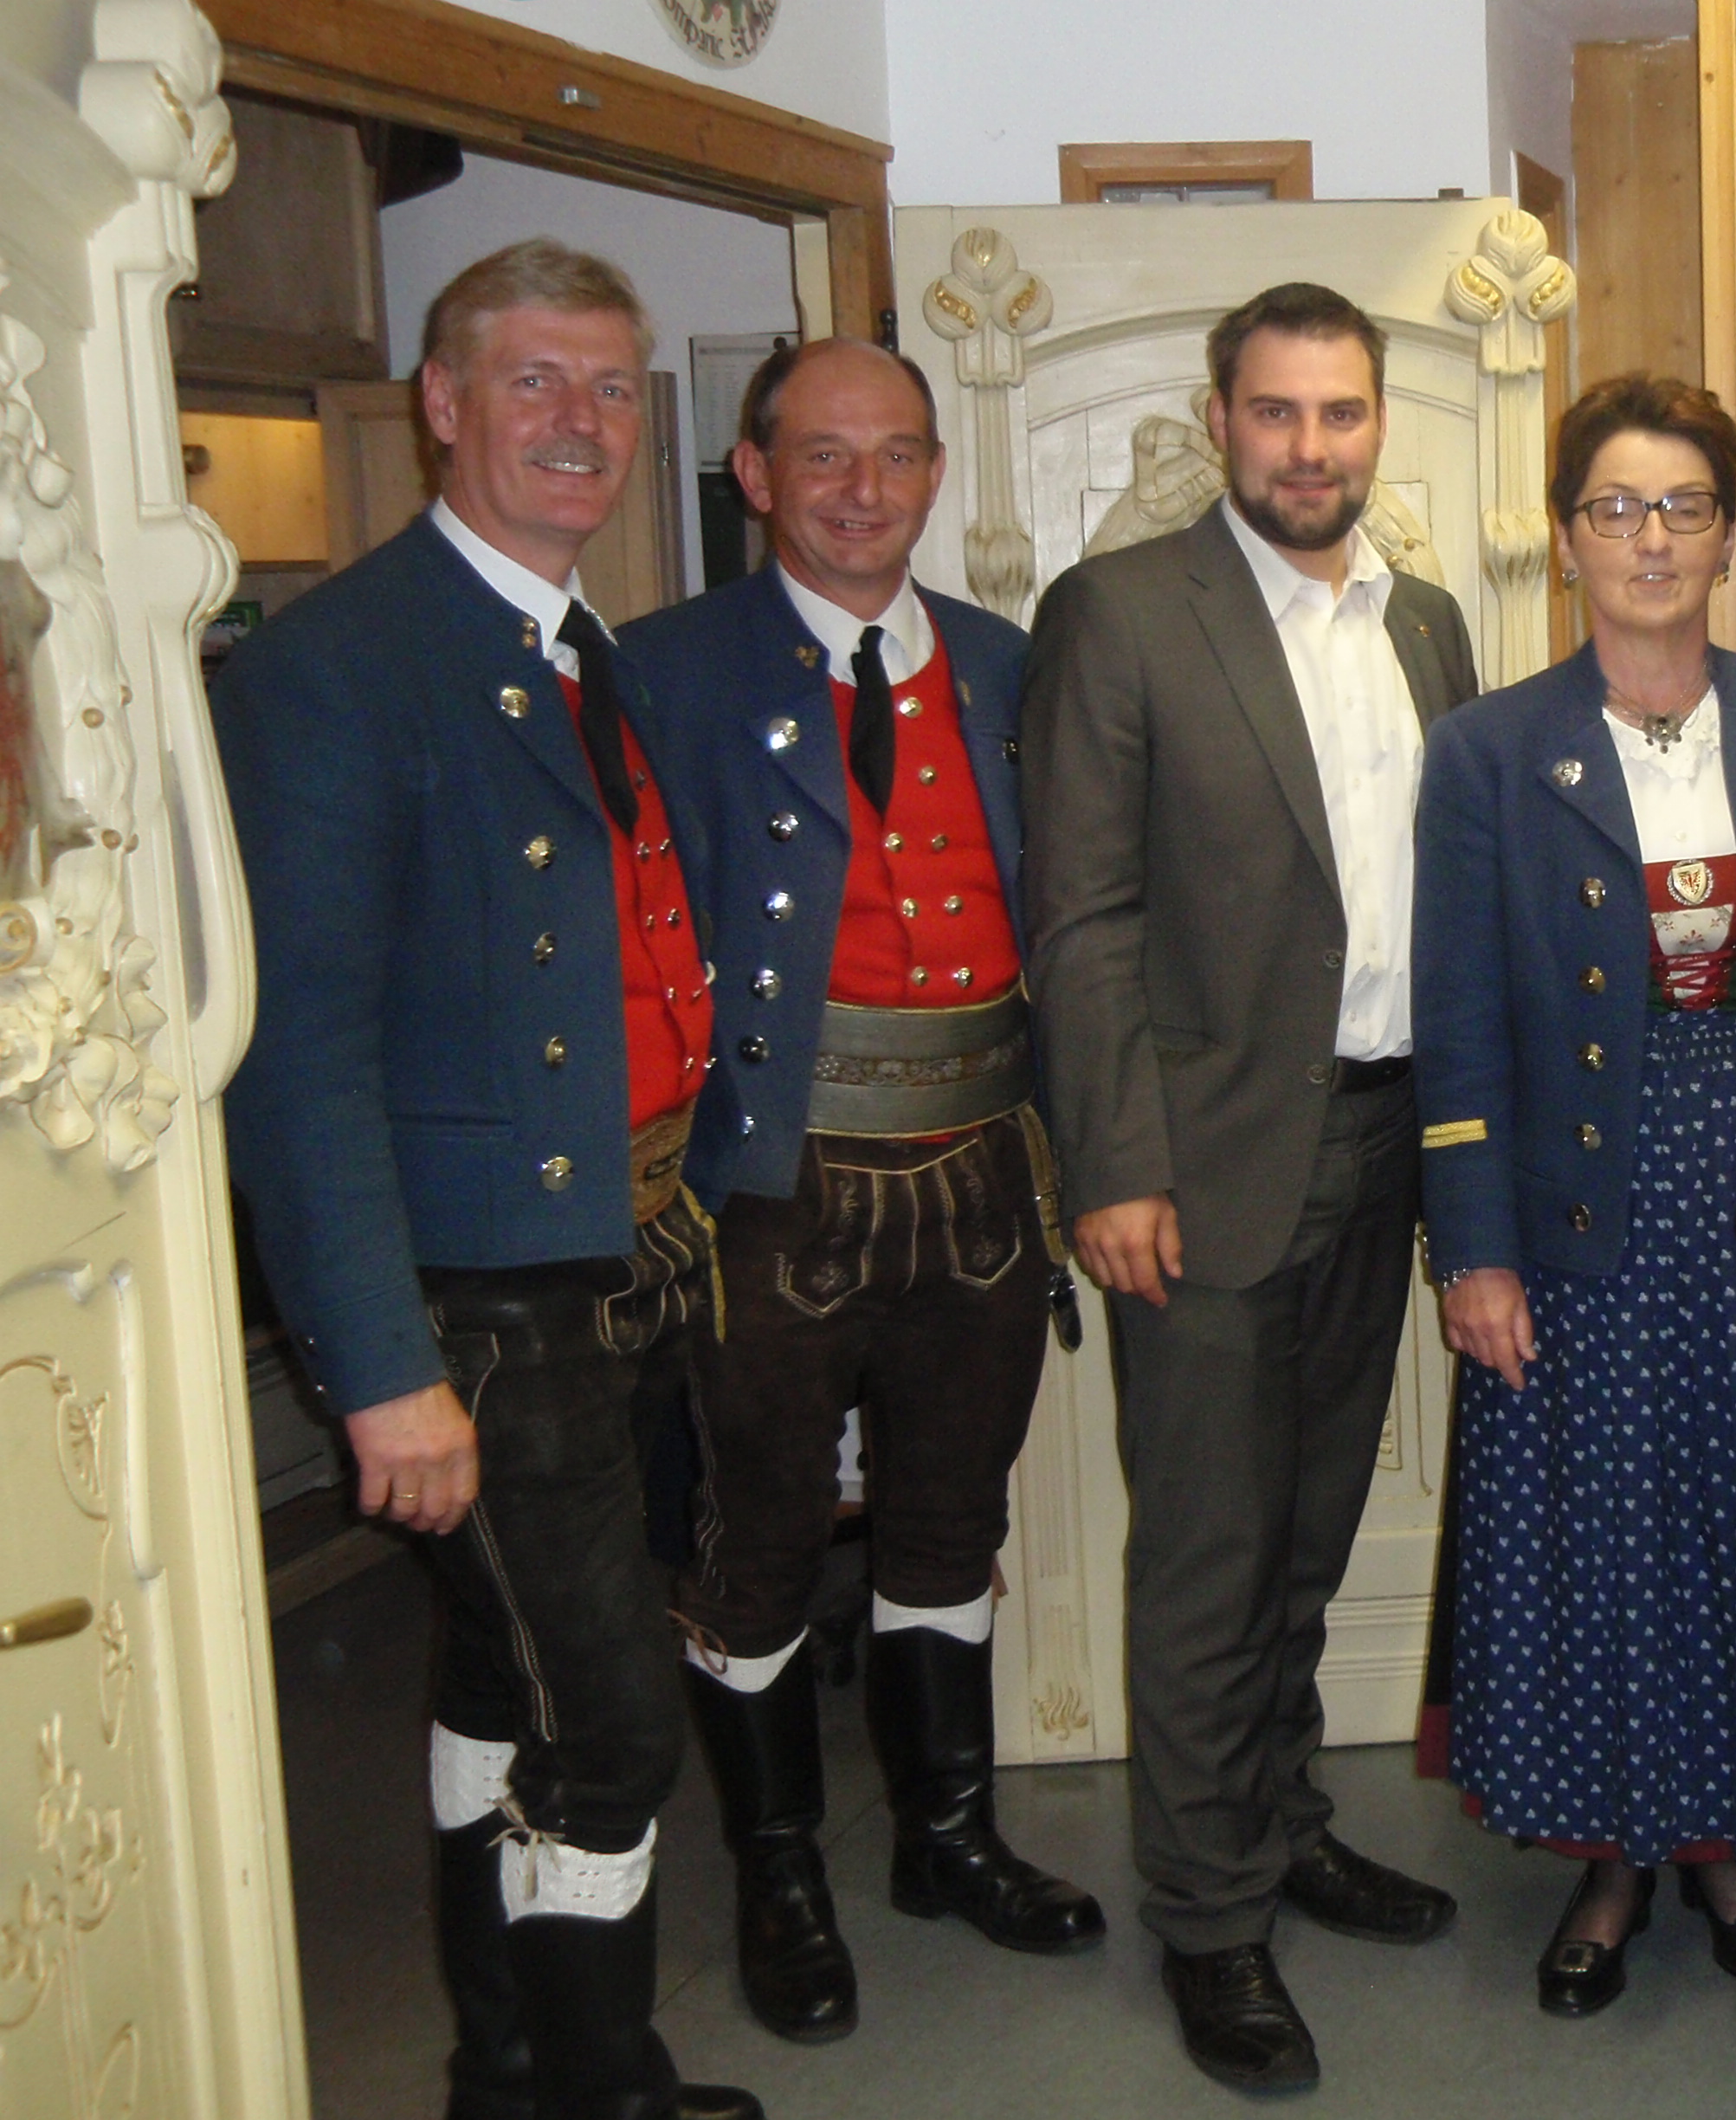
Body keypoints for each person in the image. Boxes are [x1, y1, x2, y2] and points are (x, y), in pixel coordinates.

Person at [210, 240, 759, 2120]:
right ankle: (597, 2089)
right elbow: (298, 1059)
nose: (578, 422)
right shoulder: (338, 670)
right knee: (609, 1718)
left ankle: (504, 2065)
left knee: (499, 1671)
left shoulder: (584, 641)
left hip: (621, 1243)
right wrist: (382, 1370)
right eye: (532, 380)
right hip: (484, 1297)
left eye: (608, 386)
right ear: (441, 403)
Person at [1414, 374, 1736, 2020]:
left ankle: (1728, 1846)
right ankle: (1614, 1858)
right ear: (1566, 536)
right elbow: (1460, 1017)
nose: (1652, 539)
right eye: (1617, 508)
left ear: (1728, 536)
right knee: (1607, 1533)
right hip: (1584, 1201)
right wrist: (1474, 1251)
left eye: (1685, 508)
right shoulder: (1488, 750)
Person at [1022, 282, 1480, 2094]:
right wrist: (1115, 1163)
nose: (1310, 447)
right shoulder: (1122, 613)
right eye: (1277, 412)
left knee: (1309, 1534)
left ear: (1377, 427)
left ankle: (1284, 1826)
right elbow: (1083, 919)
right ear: (1221, 421)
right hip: (1199, 1177)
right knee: (1211, 1559)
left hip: (1380, 1146)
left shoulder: (1426, 622)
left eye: (1340, 413)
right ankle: (1211, 1922)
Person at [623, 337, 1101, 2051]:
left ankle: (943, 1839)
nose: (862, 488)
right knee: (755, 1542)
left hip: (984, 1166)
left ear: (936, 474)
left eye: (896, 453)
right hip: (770, 1184)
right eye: (821, 455)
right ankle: (779, 1876)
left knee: (950, 1521)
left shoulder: (1013, 664)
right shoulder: (661, 669)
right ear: (754, 474)